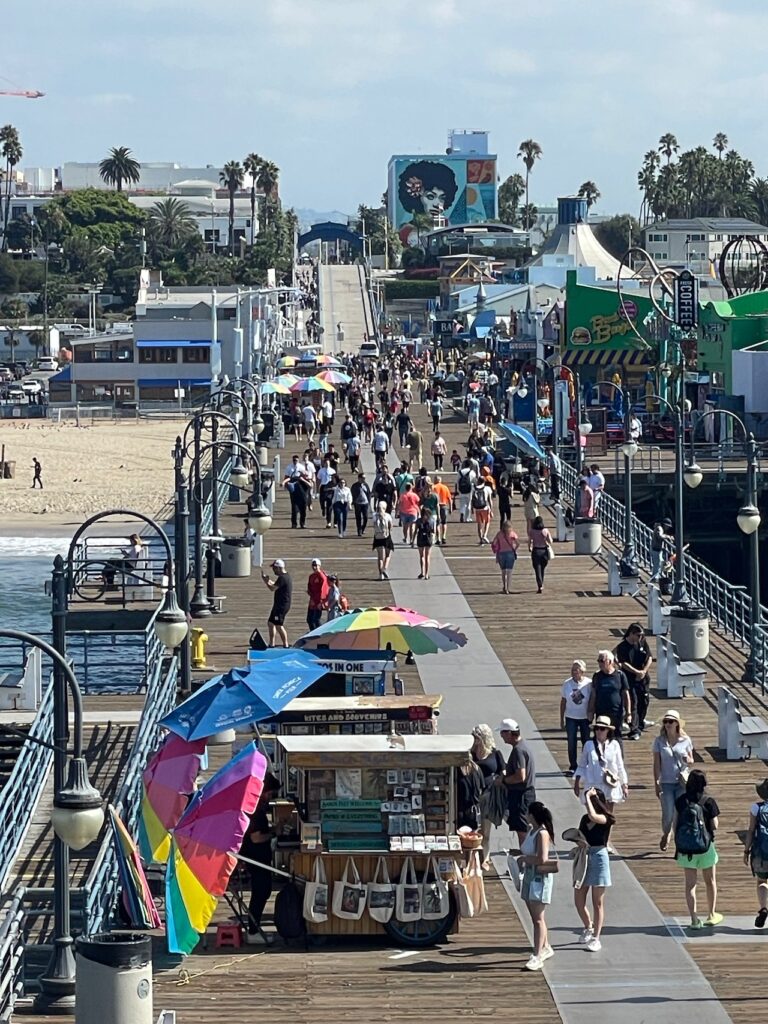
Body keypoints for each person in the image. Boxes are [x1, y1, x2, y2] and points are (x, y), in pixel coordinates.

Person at [675, 769, 722, 928]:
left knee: (690, 885)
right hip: (706, 846)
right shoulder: (708, 801)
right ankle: (711, 914)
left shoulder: (681, 801)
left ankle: (694, 920)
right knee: (710, 882)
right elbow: (715, 825)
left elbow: (676, 824)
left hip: (686, 849)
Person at [239, 771, 281, 944]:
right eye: (271, 794)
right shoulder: (255, 811)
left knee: (263, 891)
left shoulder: (255, 807)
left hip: (257, 857)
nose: (271, 798)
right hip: (255, 857)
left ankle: (254, 928)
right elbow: (256, 837)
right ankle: (253, 930)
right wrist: (273, 833)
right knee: (260, 892)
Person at [574, 787, 615, 953]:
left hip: (599, 857)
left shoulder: (606, 818)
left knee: (597, 902)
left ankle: (596, 937)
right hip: (585, 856)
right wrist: (579, 843)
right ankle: (588, 926)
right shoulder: (585, 819)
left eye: (590, 801)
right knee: (578, 899)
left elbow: (594, 817)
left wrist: (589, 797)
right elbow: (580, 835)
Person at [518, 801, 556, 971]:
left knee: (538, 919)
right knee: (535, 917)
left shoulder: (542, 833)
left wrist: (524, 860)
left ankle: (537, 954)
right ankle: (545, 946)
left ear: (532, 815)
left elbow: (542, 858)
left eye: (528, 813)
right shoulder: (531, 831)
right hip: (528, 876)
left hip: (538, 878)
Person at [652, 709, 694, 852]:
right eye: (666, 721)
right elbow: (656, 763)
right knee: (668, 813)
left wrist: (687, 759)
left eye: (671, 721)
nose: (668, 724)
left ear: (677, 723)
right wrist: (656, 782)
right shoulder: (659, 741)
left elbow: (691, 760)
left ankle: (678, 843)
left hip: (682, 782)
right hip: (666, 782)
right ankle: (666, 833)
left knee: (680, 814)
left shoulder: (686, 740)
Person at [573, 715, 628, 810]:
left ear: (608, 730)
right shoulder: (588, 745)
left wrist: (624, 785)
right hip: (593, 785)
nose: (598, 731)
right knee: (594, 815)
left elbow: (620, 766)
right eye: (596, 728)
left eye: (602, 729)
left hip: (609, 785)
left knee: (608, 817)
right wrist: (576, 784)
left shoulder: (615, 745)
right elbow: (582, 765)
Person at [471, 724, 507, 869]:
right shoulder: (471, 754)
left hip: (490, 796)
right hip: (475, 796)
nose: (473, 740)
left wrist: (500, 781)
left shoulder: (495, 754)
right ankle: (475, 857)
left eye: (476, 737)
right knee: (474, 829)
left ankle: (484, 858)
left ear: (482, 738)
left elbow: (503, 771)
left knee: (485, 831)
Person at [498, 718, 537, 850]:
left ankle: (526, 861)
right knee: (525, 828)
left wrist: (504, 780)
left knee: (522, 831)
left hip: (521, 796)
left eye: (502, 733)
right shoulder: (523, 747)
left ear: (509, 733)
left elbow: (521, 776)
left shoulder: (518, 750)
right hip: (526, 794)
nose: (501, 736)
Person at [615, 623, 653, 740]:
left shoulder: (642, 642)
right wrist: (636, 672)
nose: (640, 638)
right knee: (633, 702)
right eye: (638, 635)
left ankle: (640, 722)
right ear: (631, 633)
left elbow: (649, 657)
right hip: (630, 679)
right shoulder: (622, 647)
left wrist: (643, 671)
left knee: (644, 701)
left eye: (641, 635)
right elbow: (624, 663)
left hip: (643, 679)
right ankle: (634, 729)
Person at [588, 650, 631, 741]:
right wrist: (591, 711)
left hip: (616, 713)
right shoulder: (597, 676)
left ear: (610, 662)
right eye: (598, 661)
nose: (600, 663)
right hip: (601, 712)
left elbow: (626, 694)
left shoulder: (620, 675)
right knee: (600, 737)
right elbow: (593, 694)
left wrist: (628, 713)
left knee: (617, 737)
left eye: (602, 661)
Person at [742, 778, 768, 928]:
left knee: (761, 881)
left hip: (761, 851)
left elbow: (751, 831)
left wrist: (746, 851)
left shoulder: (756, 808)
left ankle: (763, 908)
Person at [560, 660, 591, 776]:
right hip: (570, 717)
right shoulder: (567, 683)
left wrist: (592, 714)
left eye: (576, 670)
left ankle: (586, 765)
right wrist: (561, 718)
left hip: (585, 717)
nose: (573, 672)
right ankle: (573, 766)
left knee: (586, 742)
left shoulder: (589, 683)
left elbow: (593, 700)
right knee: (571, 742)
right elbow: (563, 701)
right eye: (572, 670)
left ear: (582, 671)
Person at [262, 559, 292, 647]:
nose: (273, 570)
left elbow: (272, 588)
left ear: (279, 568)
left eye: (274, 568)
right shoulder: (285, 576)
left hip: (281, 606)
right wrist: (268, 580)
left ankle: (286, 644)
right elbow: (275, 584)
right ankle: (272, 644)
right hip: (278, 605)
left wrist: (266, 581)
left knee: (278, 625)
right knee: (271, 623)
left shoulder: (283, 578)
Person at [490, 519, 519, 594]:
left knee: (503, 571)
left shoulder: (499, 534)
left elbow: (494, 543)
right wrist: (514, 549)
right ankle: (508, 588)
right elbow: (518, 543)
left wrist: (496, 549)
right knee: (509, 572)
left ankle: (504, 586)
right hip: (510, 553)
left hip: (501, 554)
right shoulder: (512, 534)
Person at [457, 756, 484, 831]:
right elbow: (481, 788)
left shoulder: (458, 770)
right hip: (473, 808)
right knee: (472, 836)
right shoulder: (477, 768)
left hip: (460, 808)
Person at [283, 455, 310, 529]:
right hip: (292, 483)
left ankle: (302, 523)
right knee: (294, 505)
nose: (295, 461)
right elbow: (286, 476)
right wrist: (285, 485)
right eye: (294, 460)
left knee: (303, 504)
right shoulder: (289, 467)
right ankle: (294, 523)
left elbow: (305, 475)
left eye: (296, 460)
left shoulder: (301, 467)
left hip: (300, 483)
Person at [528, 515, 553, 594]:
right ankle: (541, 582)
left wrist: (529, 547)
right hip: (544, 551)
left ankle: (540, 584)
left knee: (537, 569)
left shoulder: (532, 531)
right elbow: (550, 541)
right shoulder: (545, 531)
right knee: (542, 568)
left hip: (536, 550)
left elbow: (530, 540)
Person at [372, 500, 394, 580]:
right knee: (388, 555)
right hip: (386, 537)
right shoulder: (387, 516)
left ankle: (380, 574)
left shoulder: (374, 515)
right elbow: (391, 526)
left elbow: (373, 525)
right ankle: (384, 569)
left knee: (380, 557)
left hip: (378, 537)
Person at [306, 559, 329, 632]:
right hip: (312, 601)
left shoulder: (322, 577)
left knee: (316, 620)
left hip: (318, 602)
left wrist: (321, 602)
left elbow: (324, 590)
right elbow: (309, 587)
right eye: (313, 565)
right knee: (309, 619)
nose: (314, 567)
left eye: (316, 565)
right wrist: (310, 595)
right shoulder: (311, 576)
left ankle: (320, 634)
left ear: (319, 566)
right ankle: (313, 634)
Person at [398, 481, 421, 546]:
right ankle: (411, 539)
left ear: (405, 488)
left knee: (405, 526)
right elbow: (418, 502)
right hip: (413, 512)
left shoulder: (403, 495)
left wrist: (398, 511)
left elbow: (400, 503)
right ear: (411, 488)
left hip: (404, 512)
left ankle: (405, 537)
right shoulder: (415, 495)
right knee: (412, 526)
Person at [471, 476, 493, 546]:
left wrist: (472, 508)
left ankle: (481, 539)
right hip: (485, 507)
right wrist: (491, 510)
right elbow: (490, 500)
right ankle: (485, 535)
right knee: (487, 522)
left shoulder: (474, 488)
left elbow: (472, 499)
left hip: (477, 508)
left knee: (479, 524)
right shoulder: (487, 488)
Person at [415, 506, 435, 580]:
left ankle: (422, 572)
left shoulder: (418, 521)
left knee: (422, 556)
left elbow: (415, 531)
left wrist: (412, 540)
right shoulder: (431, 520)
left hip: (420, 538)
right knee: (427, 556)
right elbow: (433, 531)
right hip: (428, 539)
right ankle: (427, 574)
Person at [317, 456, 337, 529]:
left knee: (330, 505)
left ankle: (328, 522)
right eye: (326, 463)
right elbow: (318, 480)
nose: (327, 465)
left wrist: (335, 487)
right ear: (324, 464)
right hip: (323, 486)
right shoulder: (321, 471)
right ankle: (323, 508)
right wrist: (317, 488)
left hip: (330, 487)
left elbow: (335, 481)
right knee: (322, 500)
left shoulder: (332, 471)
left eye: (328, 463)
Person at [432, 475, 452, 546]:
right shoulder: (445, 487)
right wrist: (451, 507)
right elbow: (449, 498)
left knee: (437, 523)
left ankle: (438, 538)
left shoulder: (433, 487)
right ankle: (444, 537)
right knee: (444, 522)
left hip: (436, 506)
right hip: (444, 506)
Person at [351, 471, 372, 536]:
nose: (364, 479)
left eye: (364, 478)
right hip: (357, 503)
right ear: (359, 478)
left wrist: (369, 501)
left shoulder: (366, 485)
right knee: (358, 518)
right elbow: (352, 494)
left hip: (365, 503)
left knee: (366, 517)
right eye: (363, 478)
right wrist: (353, 501)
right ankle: (359, 531)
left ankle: (363, 528)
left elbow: (368, 493)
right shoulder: (355, 485)